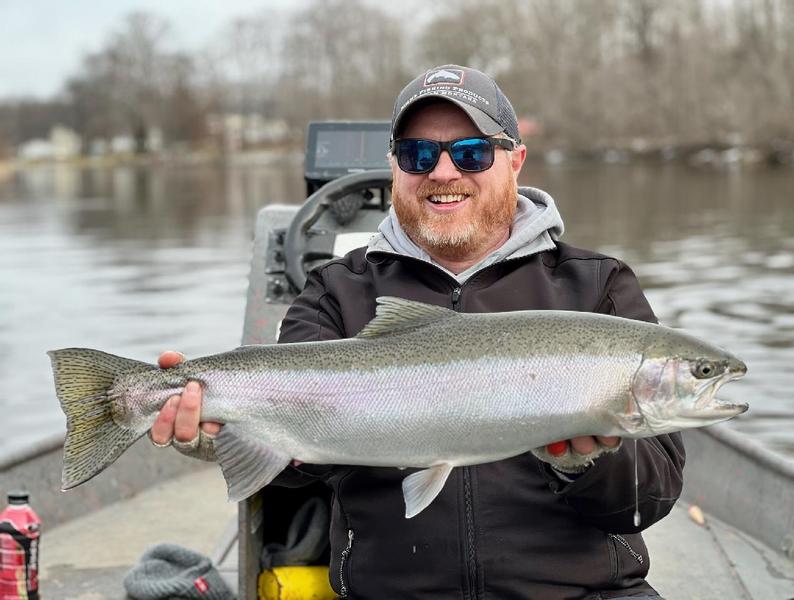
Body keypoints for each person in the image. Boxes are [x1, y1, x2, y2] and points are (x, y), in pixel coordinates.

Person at [151, 65, 683, 599]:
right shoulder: (336, 291)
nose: (443, 173)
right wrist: (220, 437)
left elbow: (649, 498)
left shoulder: (596, 286)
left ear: (516, 160)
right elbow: (296, 473)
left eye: (472, 152)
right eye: (418, 155)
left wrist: (588, 462)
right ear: (394, 167)